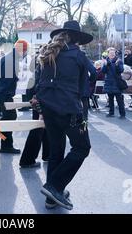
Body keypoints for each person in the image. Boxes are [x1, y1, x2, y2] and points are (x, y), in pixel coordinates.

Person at [36, 20, 92, 210]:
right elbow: (85, 90)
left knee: (56, 150)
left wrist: (42, 110)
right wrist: (83, 115)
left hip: (48, 109)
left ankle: (52, 198)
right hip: (69, 110)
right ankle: (54, 186)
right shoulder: (79, 56)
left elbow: (39, 84)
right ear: (77, 39)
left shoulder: (47, 54)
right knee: (82, 148)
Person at [0, 39, 29, 154]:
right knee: (9, 119)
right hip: (2, 95)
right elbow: (5, 84)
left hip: (1, 94)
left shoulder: (9, 58)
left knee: (9, 118)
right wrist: (1, 103)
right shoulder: (11, 62)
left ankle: (6, 145)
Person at [19, 45, 49, 168]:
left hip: (38, 99)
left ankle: (48, 154)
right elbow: (37, 84)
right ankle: (27, 159)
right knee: (38, 129)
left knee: (44, 129)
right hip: (41, 100)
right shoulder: (43, 65)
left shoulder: (37, 64)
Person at [102, 47, 126, 118]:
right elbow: (103, 71)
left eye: (113, 53)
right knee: (110, 99)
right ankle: (111, 112)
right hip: (109, 82)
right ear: (108, 54)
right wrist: (105, 65)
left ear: (115, 53)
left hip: (117, 83)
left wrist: (117, 65)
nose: (112, 54)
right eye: (110, 53)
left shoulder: (119, 61)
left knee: (119, 100)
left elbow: (121, 70)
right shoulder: (106, 61)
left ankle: (122, 114)